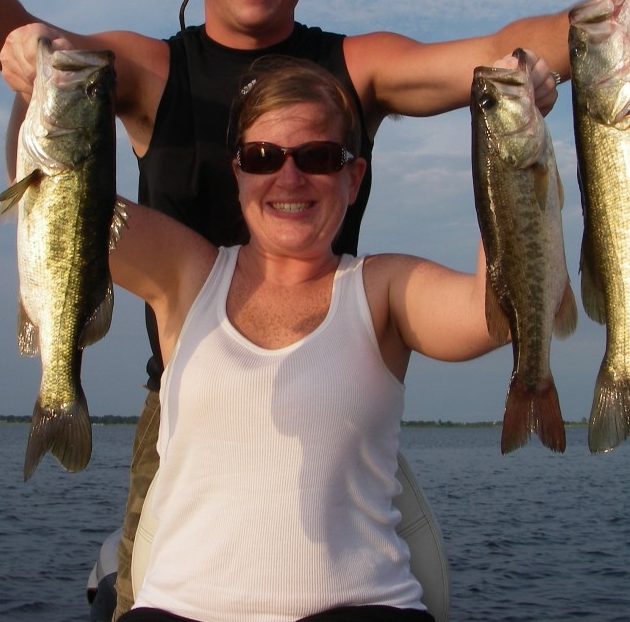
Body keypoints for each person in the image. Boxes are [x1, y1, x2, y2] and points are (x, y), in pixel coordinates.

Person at [0, 0, 630, 617]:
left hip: (340, 376)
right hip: (184, 392)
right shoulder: (146, 68)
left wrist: (611, 8)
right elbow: (26, 42)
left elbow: (494, 57)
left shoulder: (357, 65)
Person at [100, 54, 518, 622]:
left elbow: (493, 311)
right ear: (238, 171)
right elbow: (49, 200)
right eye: (262, 157)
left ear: (353, 177)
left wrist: (507, 142)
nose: (289, 178)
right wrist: (32, 94)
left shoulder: (383, 290)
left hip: (361, 608)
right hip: (180, 610)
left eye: (318, 157)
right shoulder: (186, 274)